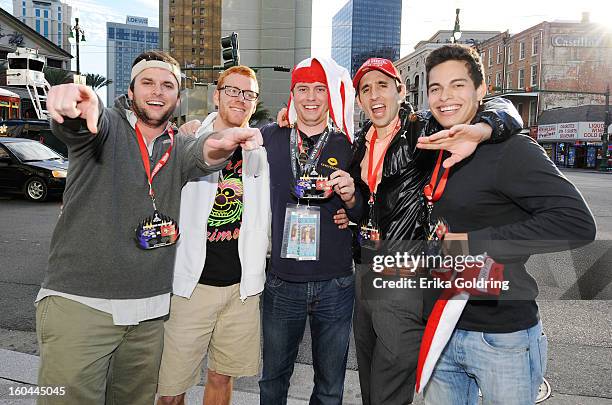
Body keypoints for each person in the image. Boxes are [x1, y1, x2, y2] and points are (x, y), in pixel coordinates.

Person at [35, 51, 262, 405]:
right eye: (148, 82)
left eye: (168, 85)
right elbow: (80, 124)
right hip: (82, 306)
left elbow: (204, 152)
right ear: (130, 89)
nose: (158, 92)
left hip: (150, 314)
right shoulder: (105, 127)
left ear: (178, 96)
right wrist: (78, 106)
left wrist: (219, 147)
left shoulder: (178, 143)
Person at [419, 44, 596, 405]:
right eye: (435, 88)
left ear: (481, 91)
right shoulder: (434, 144)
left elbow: (577, 223)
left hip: (501, 337)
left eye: (457, 85)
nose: (445, 97)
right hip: (443, 327)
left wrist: (474, 242)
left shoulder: (512, 150)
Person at [348, 57, 523, 405]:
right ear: (359, 100)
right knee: (368, 376)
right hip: (364, 268)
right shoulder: (360, 140)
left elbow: (503, 106)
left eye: (383, 85)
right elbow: (366, 200)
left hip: (403, 272)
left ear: (401, 90)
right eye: (366, 89)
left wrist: (483, 128)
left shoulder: (423, 129)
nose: (374, 95)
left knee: (391, 382)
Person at [156, 66, 269, 405]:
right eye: (232, 90)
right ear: (217, 95)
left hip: (241, 290)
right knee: (171, 388)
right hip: (191, 287)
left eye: (248, 93)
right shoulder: (187, 140)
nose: (241, 98)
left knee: (222, 378)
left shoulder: (259, 150)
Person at [258, 57, 363, 405]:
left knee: (331, 386)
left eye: (319, 88)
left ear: (329, 93)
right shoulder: (269, 138)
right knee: (273, 381)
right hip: (281, 280)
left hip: (335, 282)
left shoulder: (348, 144)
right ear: (293, 94)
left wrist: (351, 201)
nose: (311, 97)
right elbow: (227, 139)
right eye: (303, 89)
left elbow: (364, 209)